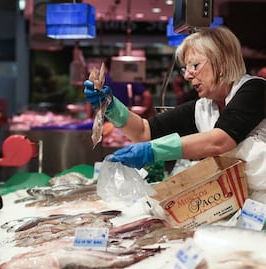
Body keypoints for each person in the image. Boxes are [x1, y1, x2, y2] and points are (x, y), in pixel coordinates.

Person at [84, 26, 266, 201]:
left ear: (222, 62)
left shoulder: (255, 89)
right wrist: (111, 106)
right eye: (186, 69)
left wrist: (152, 151)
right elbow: (143, 131)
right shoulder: (203, 109)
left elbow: (219, 141)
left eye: (194, 65)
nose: (187, 76)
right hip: (239, 200)